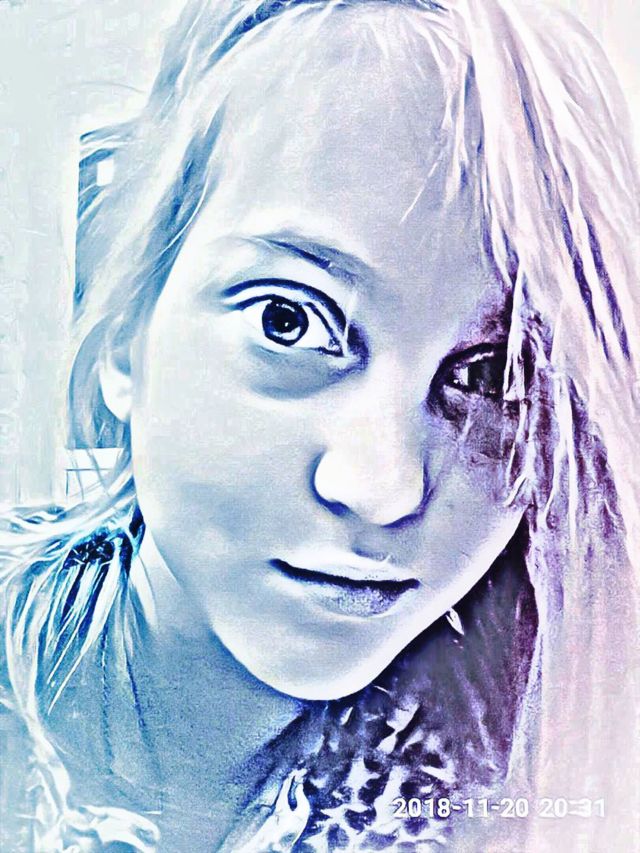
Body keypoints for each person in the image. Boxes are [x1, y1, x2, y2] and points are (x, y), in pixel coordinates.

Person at [1, 0, 639, 850]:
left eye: (491, 374)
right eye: (289, 320)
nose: (383, 490)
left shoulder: (540, 772)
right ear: (126, 336)